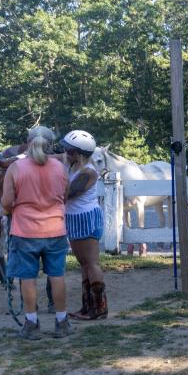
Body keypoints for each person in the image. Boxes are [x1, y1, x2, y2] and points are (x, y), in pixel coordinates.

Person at [1, 126, 71, 340]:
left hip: (25, 232)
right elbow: (64, 197)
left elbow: (5, 204)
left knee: (28, 278)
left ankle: (31, 324)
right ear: (50, 145)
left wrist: (12, 209)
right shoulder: (60, 168)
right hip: (55, 230)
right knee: (57, 276)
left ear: (28, 142)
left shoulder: (16, 168)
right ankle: (62, 322)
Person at [60, 130, 107, 321]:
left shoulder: (87, 173)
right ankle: (88, 306)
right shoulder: (74, 166)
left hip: (84, 218)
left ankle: (99, 307)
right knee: (84, 264)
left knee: (91, 263)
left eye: (69, 151)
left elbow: (67, 194)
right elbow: (49, 157)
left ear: (78, 154)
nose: (65, 153)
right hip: (77, 217)